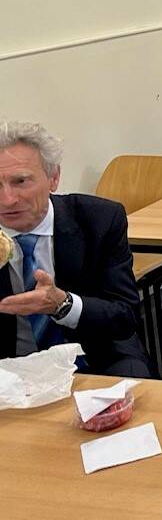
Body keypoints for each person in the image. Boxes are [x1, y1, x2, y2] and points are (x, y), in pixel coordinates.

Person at [0, 121, 150, 376]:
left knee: (133, 378)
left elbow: (124, 316)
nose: (7, 199)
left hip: (95, 353)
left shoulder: (99, 220)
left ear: (54, 177)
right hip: (10, 368)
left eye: (21, 181)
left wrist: (63, 304)